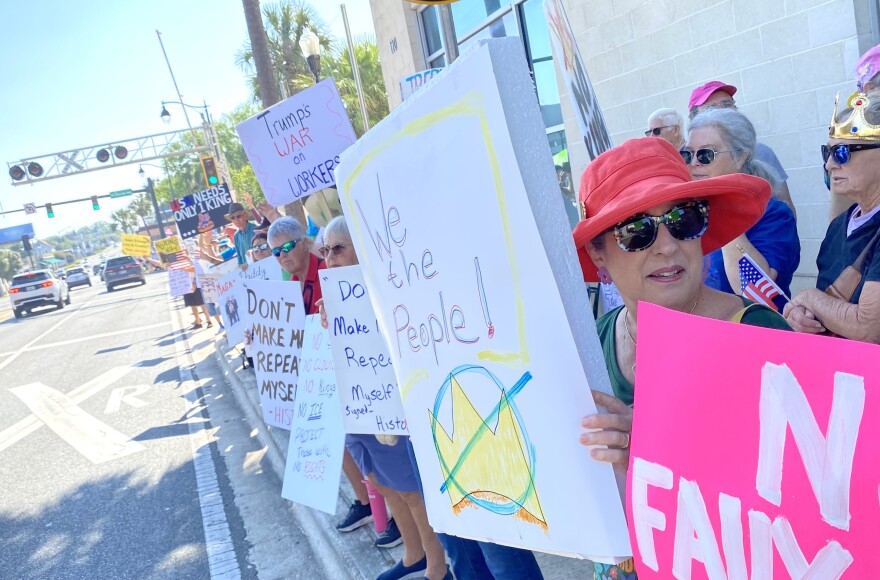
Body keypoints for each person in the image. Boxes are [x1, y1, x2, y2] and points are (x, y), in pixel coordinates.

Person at [571, 138, 791, 579]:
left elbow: (803, 498)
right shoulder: (594, 340)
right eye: (636, 229)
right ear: (599, 254)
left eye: (684, 219)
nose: (668, 246)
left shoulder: (757, 332)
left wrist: (660, 450)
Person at [316, 216, 450, 580]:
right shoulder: (336, 293)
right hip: (357, 403)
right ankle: (413, 553)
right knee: (380, 481)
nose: (330, 257)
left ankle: (436, 565)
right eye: (325, 250)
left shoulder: (389, 287)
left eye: (339, 248)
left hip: (387, 403)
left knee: (410, 488)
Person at [784, 92, 880, 344]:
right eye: (827, 152)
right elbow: (829, 301)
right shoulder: (840, 224)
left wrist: (808, 298)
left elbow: (868, 327)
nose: (828, 165)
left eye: (842, 153)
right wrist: (802, 315)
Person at [684, 108, 800, 311]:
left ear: (740, 157)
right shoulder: (686, 212)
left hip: (751, 330)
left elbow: (752, 291)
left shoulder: (774, 214)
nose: (694, 163)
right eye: (688, 154)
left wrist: (724, 212)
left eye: (705, 154)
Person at [688, 80, 796, 217]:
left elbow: (786, 207)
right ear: (694, 118)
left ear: (742, 157)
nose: (695, 162)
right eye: (711, 108)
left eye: (727, 105)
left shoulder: (762, 151)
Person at [267, 217, 325, 315]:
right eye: (276, 251)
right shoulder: (290, 288)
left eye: (287, 247)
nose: (282, 255)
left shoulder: (328, 270)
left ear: (305, 243)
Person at [225, 202, 259, 267]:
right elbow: (240, 258)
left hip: (261, 267)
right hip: (248, 272)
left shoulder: (256, 229)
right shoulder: (236, 236)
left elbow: (263, 250)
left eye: (239, 216)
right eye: (233, 218)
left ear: (245, 215)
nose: (236, 220)